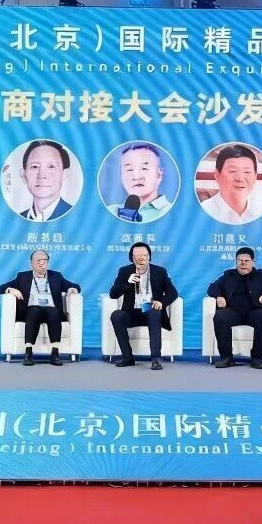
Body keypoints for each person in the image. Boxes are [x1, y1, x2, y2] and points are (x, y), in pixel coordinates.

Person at [0, 250, 81, 366]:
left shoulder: (56, 276)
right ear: (31, 262)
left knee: (54, 312)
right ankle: (28, 353)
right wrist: (10, 290)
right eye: (38, 261)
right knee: (34, 311)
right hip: (31, 310)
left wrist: (73, 289)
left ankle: (55, 354)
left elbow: (75, 286)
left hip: (51, 309)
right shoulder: (22, 277)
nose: (42, 263)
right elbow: (1, 288)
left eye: (44, 261)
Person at [208, 247, 262, 369]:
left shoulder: (261, 275)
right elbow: (212, 288)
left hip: (254, 311)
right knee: (220, 316)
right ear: (236, 261)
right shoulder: (228, 275)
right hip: (233, 311)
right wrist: (219, 296)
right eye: (240, 261)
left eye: (246, 261)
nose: (243, 263)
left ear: (253, 261)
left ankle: (257, 358)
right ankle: (226, 358)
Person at [108, 241, 178, 370]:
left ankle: (155, 359)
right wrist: (127, 283)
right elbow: (113, 294)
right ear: (132, 257)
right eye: (138, 256)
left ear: (149, 256)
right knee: (116, 315)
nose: (141, 258)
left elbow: (173, 292)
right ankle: (128, 358)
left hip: (151, 311)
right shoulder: (125, 271)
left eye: (145, 255)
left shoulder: (160, 271)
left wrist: (161, 302)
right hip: (131, 313)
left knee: (154, 312)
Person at [200, 144, 262, 224]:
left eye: (247, 172)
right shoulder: (204, 211)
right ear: (217, 175)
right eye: (232, 171)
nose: (240, 179)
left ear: (255, 176)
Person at [105, 142, 173, 222]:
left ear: (159, 174)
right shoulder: (110, 212)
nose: (136, 177)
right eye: (129, 169)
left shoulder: (172, 212)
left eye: (144, 168)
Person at [18, 140, 74, 221]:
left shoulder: (76, 216)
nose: (41, 175)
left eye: (51, 166)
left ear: (64, 174)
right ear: (23, 175)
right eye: (34, 167)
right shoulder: (16, 219)